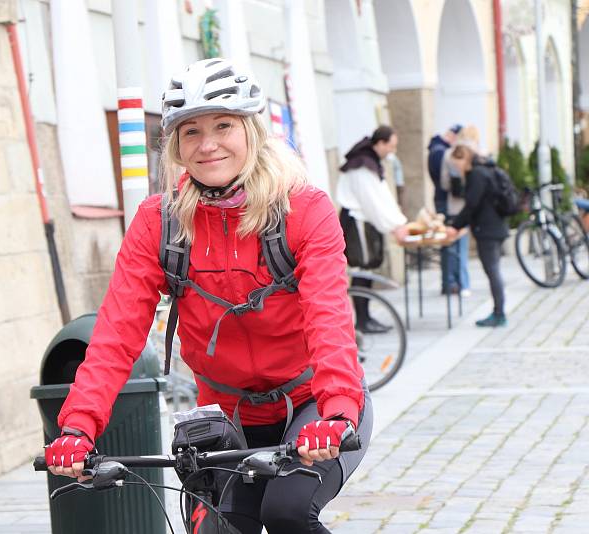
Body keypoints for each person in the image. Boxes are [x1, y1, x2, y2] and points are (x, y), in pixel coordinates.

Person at [45, 58, 373, 534]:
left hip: (312, 405)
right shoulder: (161, 223)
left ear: (252, 132)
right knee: (215, 529)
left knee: (286, 512)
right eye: (191, 131)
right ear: (176, 145)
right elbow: (116, 333)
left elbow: (330, 318)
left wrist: (337, 412)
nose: (208, 144)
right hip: (227, 415)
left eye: (224, 125)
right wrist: (77, 427)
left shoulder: (303, 209)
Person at [337, 125, 409, 333]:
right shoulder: (361, 167)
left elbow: (382, 198)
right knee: (361, 268)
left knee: (366, 269)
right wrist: (395, 225)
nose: (391, 151)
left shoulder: (370, 163)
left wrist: (398, 222)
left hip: (364, 220)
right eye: (391, 146)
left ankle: (366, 317)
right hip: (356, 221)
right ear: (380, 143)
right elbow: (372, 202)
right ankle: (362, 320)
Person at [446, 144, 508, 327]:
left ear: (463, 159)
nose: (456, 169)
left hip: (487, 229)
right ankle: (499, 311)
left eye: (456, 164)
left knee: (492, 271)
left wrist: (455, 226)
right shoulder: (487, 169)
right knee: (494, 270)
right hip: (496, 226)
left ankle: (499, 313)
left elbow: (472, 205)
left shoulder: (476, 174)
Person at [428, 124, 468, 295]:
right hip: (449, 202)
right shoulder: (443, 153)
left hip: (444, 200)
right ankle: (452, 282)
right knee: (452, 242)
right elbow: (444, 182)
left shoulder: (436, 149)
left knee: (450, 243)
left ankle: (450, 282)